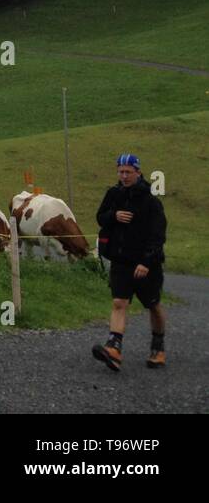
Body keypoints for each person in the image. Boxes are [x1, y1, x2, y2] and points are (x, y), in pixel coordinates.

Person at [92, 154, 167, 371]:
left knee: (153, 305)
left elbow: (158, 235)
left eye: (128, 172)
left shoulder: (151, 201)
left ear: (138, 172)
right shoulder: (113, 194)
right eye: (120, 171)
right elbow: (100, 217)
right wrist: (113, 215)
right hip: (121, 261)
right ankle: (114, 348)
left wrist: (146, 261)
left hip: (146, 264)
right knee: (119, 302)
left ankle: (158, 346)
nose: (124, 176)